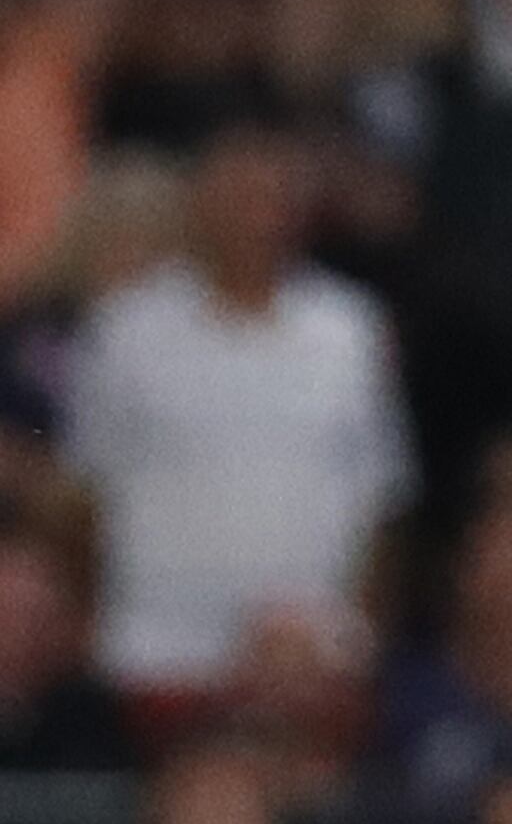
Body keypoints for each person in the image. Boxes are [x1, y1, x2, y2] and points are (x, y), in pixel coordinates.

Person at [60, 106, 412, 707]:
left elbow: (379, 499)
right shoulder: (127, 330)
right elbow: (82, 497)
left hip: (308, 664)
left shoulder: (349, 329)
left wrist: (355, 633)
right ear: (199, 204)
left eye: (272, 198)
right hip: (158, 653)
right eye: (237, 196)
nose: (256, 217)